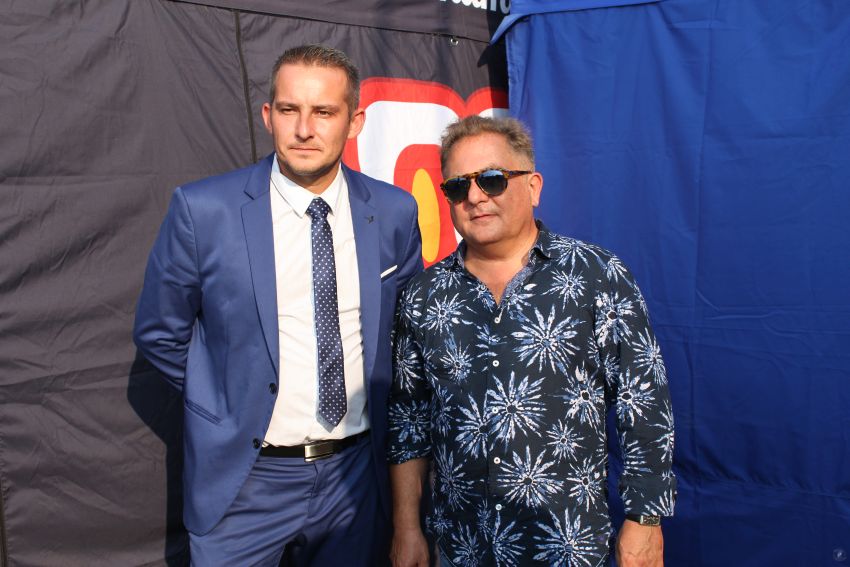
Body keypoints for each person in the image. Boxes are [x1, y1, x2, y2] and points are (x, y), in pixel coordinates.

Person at [134, 44, 422, 565]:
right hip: (245, 483)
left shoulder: (394, 211)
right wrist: (224, 402)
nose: (304, 129)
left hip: (356, 479)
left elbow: (405, 341)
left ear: (354, 122)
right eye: (290, 110)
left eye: (324, 112)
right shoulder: (204, 210)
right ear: (268, 116)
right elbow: (160, 333)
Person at [387, 116, 675, 567]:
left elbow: (644, 405)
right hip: (461, 549)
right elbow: (409, 422)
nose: (475, 197)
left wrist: (645, 520)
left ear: (533, 186)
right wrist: (406, 527)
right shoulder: (424, 296)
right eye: (458, 187)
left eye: (492, 179)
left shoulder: (596, 276)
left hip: (568, 548)